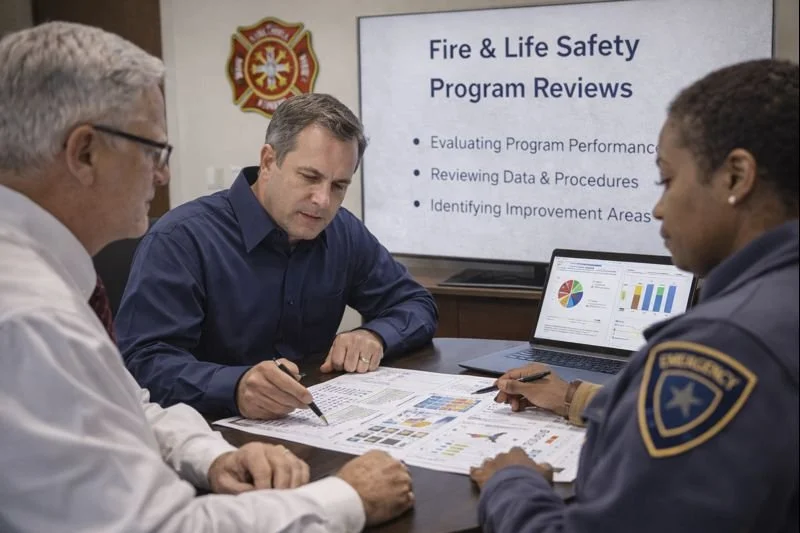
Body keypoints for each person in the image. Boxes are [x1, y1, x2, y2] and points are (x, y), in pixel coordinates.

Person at [0, 21, 413, 532]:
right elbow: (155, 525)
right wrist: (347, 498)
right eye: (153, 149)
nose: (163, 174)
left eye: (338, 185)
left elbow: (127, 405)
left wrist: (207, 455)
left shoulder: (47, 275)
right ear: (84, 152)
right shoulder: (27, 317)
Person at [469, 58, 799, 533]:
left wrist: (512, 484)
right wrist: (574, 397)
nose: (658, 207)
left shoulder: (719, 347)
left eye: (667, 179)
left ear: (735, 177)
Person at [115, 92, 438, 419]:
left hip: (312, 424)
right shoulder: (181, 239)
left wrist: (374, 335)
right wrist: (236, 385)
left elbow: (416, 304)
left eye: (339, 185)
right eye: (310, 177)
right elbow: (142, 363)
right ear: (269, 161)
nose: (323, 200)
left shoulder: (342, 231)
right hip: (207, 435)